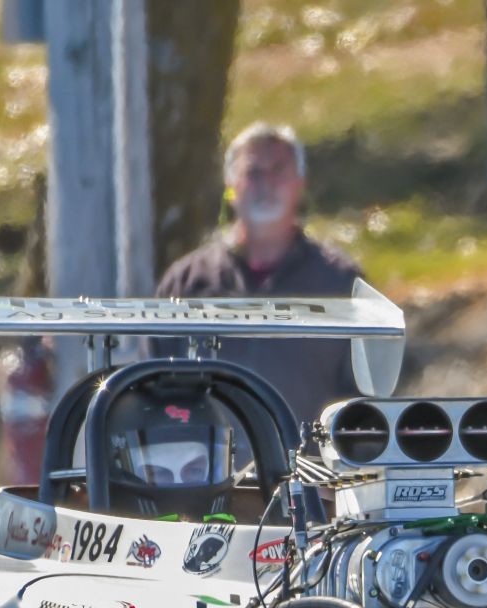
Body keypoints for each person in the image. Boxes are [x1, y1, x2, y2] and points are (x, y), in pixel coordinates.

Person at [155, 122, 365, 427]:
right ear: (230, 187)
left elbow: (365, 400)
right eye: (252, 173)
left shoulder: (339, 282)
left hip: (310, 471)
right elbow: (149, 389)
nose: (266, 183)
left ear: (300, 183)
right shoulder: (186, 282)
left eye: (278, 170)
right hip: (206, 471)